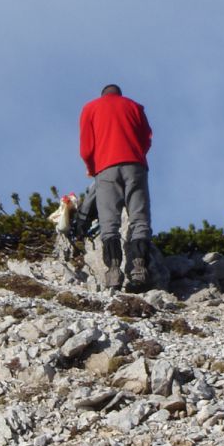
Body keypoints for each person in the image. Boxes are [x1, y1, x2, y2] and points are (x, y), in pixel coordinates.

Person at [79, 84, 153, 291]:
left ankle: (113, 271)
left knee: (109, 222)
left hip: (106, 168)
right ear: (119, 94)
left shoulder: (90, 108)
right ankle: (139, 266)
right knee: (139, 218)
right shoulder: (135, 107)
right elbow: (146, 138)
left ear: (102, 94)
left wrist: (92, 168)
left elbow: (86, 148)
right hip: (135, 166)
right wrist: (136, 155)